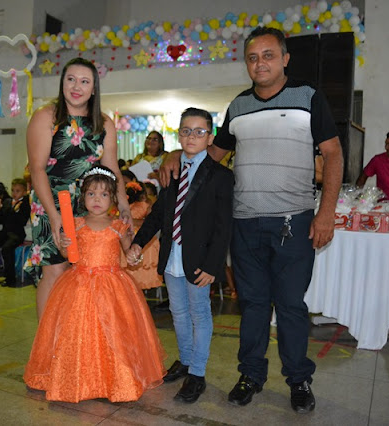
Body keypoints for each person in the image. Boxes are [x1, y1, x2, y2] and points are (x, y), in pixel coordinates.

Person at [158, 27, 343, 413]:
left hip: (293, 222)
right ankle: (251, 376)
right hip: (244, 224)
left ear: (285, 59)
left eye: (269, 55)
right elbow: (212, 156)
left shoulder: (308, 97)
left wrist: (326, 213)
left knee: (290, 305)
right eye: (253, 57)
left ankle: (298, 380)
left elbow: (333, 154)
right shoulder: (239, 106)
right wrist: (175, 154)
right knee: (254, 305)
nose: (260, 63)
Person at [24, 166, 165, 403]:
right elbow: (69, 255)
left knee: (113, 331)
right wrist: (64, 244)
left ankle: (115, 378)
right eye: (91, 194)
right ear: (83, 197)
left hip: (112, 285)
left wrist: (135, 256)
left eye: (103, 194)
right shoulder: (76, 224)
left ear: (113, 199)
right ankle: (79, 377)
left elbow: (130, 253)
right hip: (79, 284)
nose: (97, 200)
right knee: (79, 332)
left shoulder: (119, 226)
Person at [130, 108, 234, 403]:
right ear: (179, 135)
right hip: (172, 256)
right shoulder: (173, 172)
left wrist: (213, 265)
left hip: (199, 260)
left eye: (199, 132)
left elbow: (223, 226)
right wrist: (138, 243)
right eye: (186, 131)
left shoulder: (221, 176)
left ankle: (197, 374)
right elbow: (158, 214)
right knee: (178, 312)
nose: (192, 137)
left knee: (199, 313)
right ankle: (186, 361)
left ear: (210, 137)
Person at [26, 57, 131, 319]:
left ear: (94, 88)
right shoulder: (46, 117)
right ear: (62, 82)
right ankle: (48, 338)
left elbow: (112, 168)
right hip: (50, 202)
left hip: (90, 204)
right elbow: (37, 169)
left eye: (85, 81)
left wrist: (124, 204)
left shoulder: (103, 123)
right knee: (55, 270)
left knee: (84, 270)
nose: (76, 86)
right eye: (71, 79)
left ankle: (76, 333)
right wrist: (54, 216)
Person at [123, 181, 162, 290]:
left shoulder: (146, 205)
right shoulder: (126, 207)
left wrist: (133, 222)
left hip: (142, 236)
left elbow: (150, 222)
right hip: (129, 236)